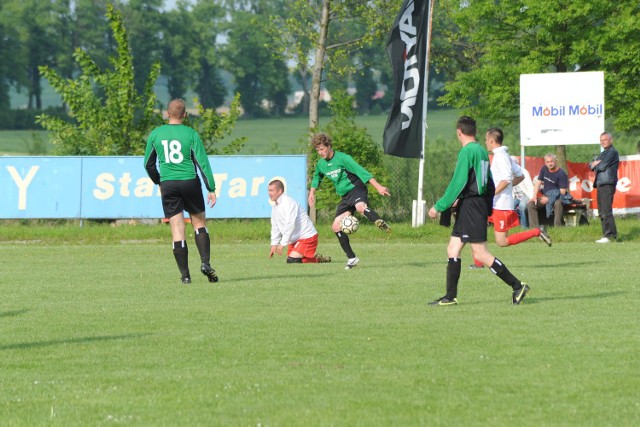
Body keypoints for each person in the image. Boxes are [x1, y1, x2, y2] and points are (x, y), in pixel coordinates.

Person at [427, 116, 530, 306]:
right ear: (474, 131)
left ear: (459, 132)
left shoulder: (468, 151)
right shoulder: (482, 151)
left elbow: (457, 183)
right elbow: (489, 183)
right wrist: (487, 205)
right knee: (453, 248)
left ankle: (517, 285)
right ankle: (450, 297)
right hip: (474, 205)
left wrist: (439, 206)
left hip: (472, 207)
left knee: (481, 253)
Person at [144, 99, 219, 285]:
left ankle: (185, 276)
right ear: (185, 115)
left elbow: (148, 164)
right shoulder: (191, 134)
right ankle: (205, 263)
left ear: (167, 114)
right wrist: (211, 188)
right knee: (199, 222)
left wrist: (159, 181)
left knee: (177, 229)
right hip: (189, 182)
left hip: (169, 183)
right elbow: (203, 164)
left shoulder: (156, 134)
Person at [469, 128, 552, 269]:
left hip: (500, 205)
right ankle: (478, 263)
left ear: (491, 140)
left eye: (486, 140)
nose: (485, 143)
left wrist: (493, 193)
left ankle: (537, 231)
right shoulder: (503, 155)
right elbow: (520, 175)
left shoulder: (501, 157)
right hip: (495, 203)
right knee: (475, 226)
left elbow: (507, 179)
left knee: (502, 242)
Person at [308, 132, 391, 270]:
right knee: (335, 226)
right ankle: (352, 258)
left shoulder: (343, 158)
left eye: (322, 149)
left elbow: (362, 172)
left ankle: (378, 221)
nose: (320, 152)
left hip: (356, 188)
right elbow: (317, 177)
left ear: (329, 146)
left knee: (360, 207)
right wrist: (312, 193)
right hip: (345, 197)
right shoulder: (321, 164)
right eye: (318, 150)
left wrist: (378, 187)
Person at [268, 179, 331, 263]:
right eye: (268, 190)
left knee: (292, 260)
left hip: (307, 237)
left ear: (279, 191)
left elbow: (290, 224)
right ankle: (318, 259)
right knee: (293, 260)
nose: (269, 193)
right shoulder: (275, 206)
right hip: (295, 239)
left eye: (271, 190)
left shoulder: (288, 202)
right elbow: (275, 226)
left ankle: (318, 260)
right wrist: (274, 244)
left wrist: (283, 243)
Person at [590, 132, 619, 243]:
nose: (603, 142)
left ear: (610, 140)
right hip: (601, 183)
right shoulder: (603, 153)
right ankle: (606, 235)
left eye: (605, 140)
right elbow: (590, 164)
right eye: (601, 140)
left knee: (606, 210)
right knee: (602, 211)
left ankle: (610, 235)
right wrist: (595, 163)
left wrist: (596, 163)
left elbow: (601, 166)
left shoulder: (612, 152)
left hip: (607, 183)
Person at [527, 153, 569, 228]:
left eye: (551, 161)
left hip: (558, 197)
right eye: (548, 162)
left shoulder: (562, 174)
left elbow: (562, 191)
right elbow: (538, 182)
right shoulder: (544, 169)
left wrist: (549, 198)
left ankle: (557, 228)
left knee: (558, 204)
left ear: (555, 161)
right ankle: (534, 229)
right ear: (545, 162)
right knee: (531, 204)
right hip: (546, 195)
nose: (550, 164)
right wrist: (534, 196)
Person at [511, 155, 534, 228]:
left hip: (526, 195)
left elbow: (529, 185)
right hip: (516, 196)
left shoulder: (523, 171)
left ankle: (524, 227)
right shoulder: (508, 172)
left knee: (522, 206)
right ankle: (514, 226)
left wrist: (531, 198)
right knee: (510, 206)